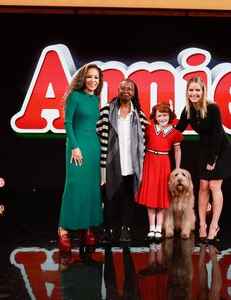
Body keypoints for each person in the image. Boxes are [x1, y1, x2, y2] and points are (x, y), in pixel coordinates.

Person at [175, 76, 231, 244]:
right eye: (191, 90)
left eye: (197, 90)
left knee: (214, 185)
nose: (194, 93)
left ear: (203, 91)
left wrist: (213, 159)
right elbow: (178, 130)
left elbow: (217, 135)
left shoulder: (213, 108)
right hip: (204, 149)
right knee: (202, 186)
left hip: (220, 149)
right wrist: (161, 134)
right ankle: (202, 225)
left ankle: (214, 225)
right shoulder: (187, 110)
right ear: (187, 92)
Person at [58, 63, 104, 252]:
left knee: (91, 187)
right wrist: (74, 147)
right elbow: (67, 122)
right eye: (89, 77)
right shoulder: (74, 96)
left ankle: (86, 228)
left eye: (96, 77)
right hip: (77, 145)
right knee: (74, 186)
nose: (93, 80)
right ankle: (63, 229)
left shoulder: (95, 100)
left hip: (93, 145)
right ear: (82, 78)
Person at [96, 78, 148, 243]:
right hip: (111, 161)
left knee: (128, 196)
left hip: (131, 163)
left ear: (134, 93)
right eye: (122, 88)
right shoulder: (106, 110)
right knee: (110, 196)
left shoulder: (139, 114)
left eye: (129, 89)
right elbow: (98, 132)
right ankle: (108, 230)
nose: (126, 91)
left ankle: (126, 229)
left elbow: (146, 137)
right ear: (118, 90)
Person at [135, 101, 183, 243]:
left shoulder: (175, 133)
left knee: (162, 197)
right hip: (150, 162)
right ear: (155, 116)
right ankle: (151, 228)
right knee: (151, 198)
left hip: (164, 164)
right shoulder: (149, 129)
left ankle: (158, 228)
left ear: (170, 116)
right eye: (160, 115)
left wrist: (177, 168)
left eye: (165, 115)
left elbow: (177, 151)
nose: (162, 118)